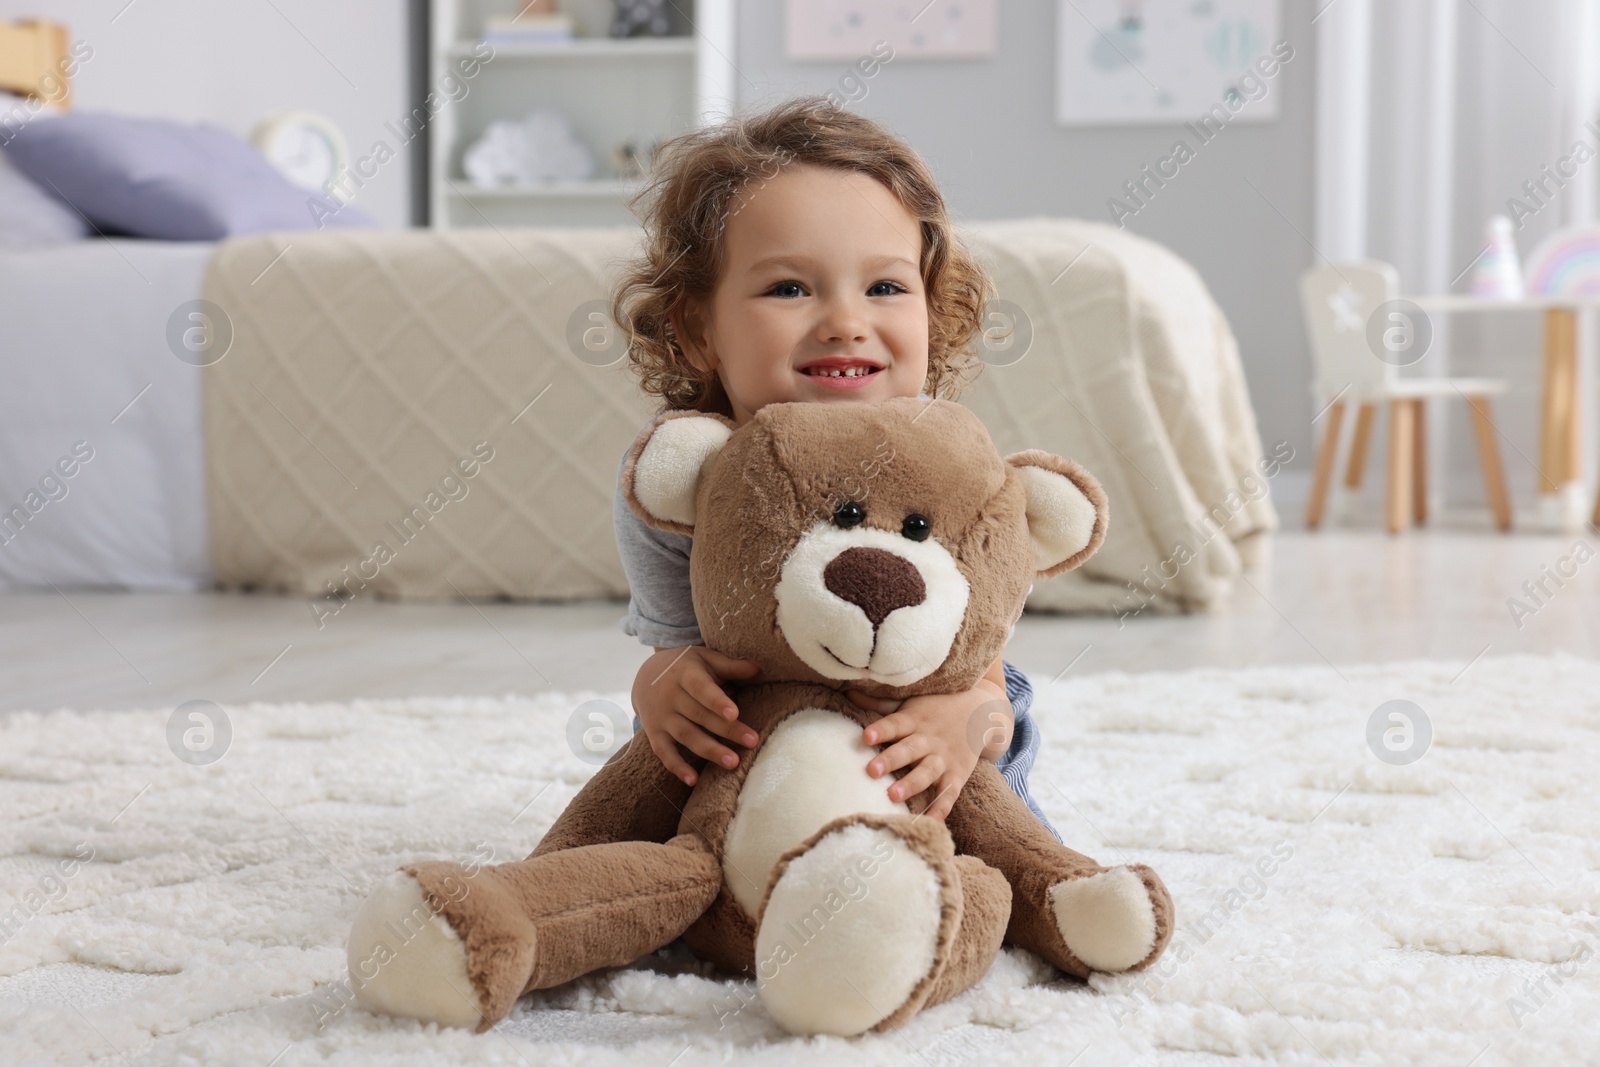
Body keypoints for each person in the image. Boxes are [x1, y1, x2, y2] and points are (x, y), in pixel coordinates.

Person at [610, 95, 1060, 838]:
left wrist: (960, 721)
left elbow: (985, 674)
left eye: (885, 287)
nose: (846, 321)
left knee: (990, 829)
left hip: (917, 716)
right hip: (756, 727)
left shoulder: (948, 472)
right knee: (665, 806)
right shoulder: (681, 477)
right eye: (789, 288)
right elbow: (674, 650)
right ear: (696, 330)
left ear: (930, 308)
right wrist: (662, 687)